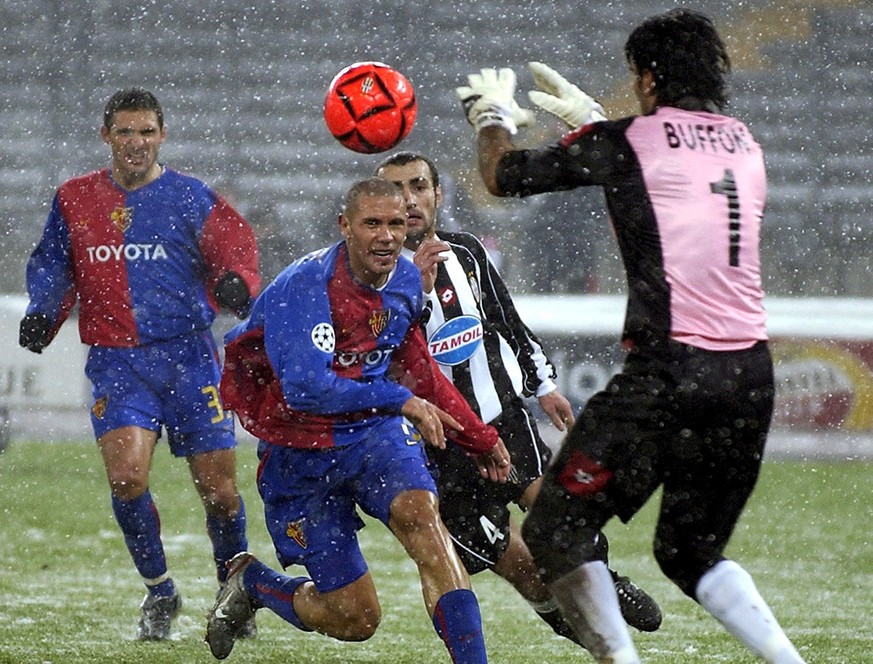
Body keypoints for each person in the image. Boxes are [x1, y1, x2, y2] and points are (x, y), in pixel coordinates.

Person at [456, 9, 806, 664]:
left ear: (646, 79)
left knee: (556, 527)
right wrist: (594, 122)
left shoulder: (629, 143)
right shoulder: (743, 141)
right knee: (689, 552)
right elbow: (672, 179)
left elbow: (502, 177)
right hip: (748, 376)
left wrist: (491, 116)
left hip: (670, 371)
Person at [207, 177, 512, 662]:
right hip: (300, 450)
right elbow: (306, 391)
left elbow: (418, 371)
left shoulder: (408, 280)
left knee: (422, 515)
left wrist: (478, 437)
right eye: (372, 223)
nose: (387, 236)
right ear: (344, 226)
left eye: (395, 223)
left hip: (373, 435)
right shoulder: (304, 289)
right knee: (356, 620)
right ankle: (254, 583)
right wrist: (398, 400)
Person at [374, 151, 662, 646]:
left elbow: (506, 321)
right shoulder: (371, 277)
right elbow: (379, 356)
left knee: (560, 516)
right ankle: (576, 629)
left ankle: (604, 583)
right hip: (438, 448)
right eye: (396, 190)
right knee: (517, 563)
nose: (409, 199)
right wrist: (412, 292)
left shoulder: (468, 253)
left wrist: (543, 383)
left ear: (438, 195)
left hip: (503, 417)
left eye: (419, 186)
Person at [19, 87, 260, 641]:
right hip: (117, 361)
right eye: (125, 131)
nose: (136, 142)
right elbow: (54, 264)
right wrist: (43, 312)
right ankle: (161, 593)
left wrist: (235, 283)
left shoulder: (191, 196)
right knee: (127, 480)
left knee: (220, 493)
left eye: (146, 131)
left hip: (190, 357)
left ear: (162, 135)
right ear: (106, 136)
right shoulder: (75, 198)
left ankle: (233, 592)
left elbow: (235, 249)